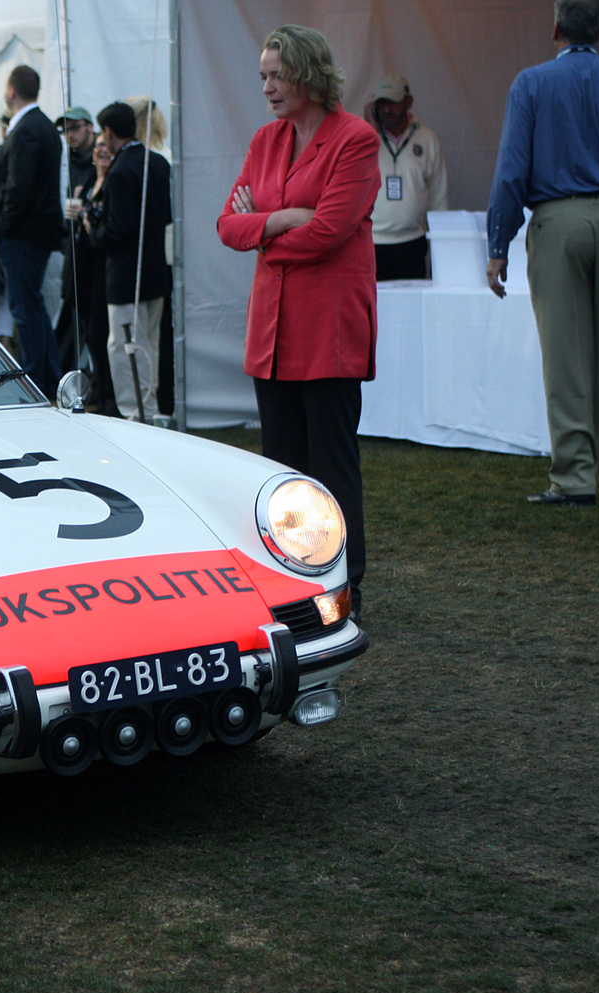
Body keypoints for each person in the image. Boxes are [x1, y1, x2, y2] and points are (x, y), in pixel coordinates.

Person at [216, 24, 378, 618]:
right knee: (281, 466)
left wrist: (260, 225)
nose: (267, 87)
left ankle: (345, 582)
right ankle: (294, 578)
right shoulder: (266, 140)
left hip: (328, 328)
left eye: (275, 76)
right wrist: (283, 219)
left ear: (308, 72)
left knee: (331, 464)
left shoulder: (355, 140)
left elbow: (331, 232)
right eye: (263, 77)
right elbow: (226, 227)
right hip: (275, 332)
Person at [486, 0, 599, 507]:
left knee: (566, 357)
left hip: (559, 219)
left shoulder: (531, 82)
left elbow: (511, 168)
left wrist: (498, 243)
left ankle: (574, 478)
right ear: (598, 28)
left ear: (555, 28)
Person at [88, 102, 172, 423]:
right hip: (154, 270)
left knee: (124, 347)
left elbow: (118, 230)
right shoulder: (159, 163)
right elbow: (164, 216)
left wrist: (93, 232)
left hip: (126, 277)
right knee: (149, 343)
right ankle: (149, 409)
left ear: (109, 132)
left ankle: (134, 413)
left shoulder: (122, 170)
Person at [0, 65, 65, 397]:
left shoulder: (27, 130)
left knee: (25, 308)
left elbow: (19, 188)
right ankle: (46, 376)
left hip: (23, 234)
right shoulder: (42, 125)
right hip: (35, 232)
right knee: (32, 306)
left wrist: (4, 226)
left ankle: (35, 380)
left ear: (11, 91)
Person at [56, 106, 113, 415]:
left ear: (90, 128)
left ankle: (106, 392)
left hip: (96, 260)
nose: (70, 135)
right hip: (77, 256)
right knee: (87, 329)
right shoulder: (74, 162)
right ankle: (98, 388)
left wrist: (85, 213)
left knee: (98, 332)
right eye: (66, 129)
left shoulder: (97, 166)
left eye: (75, 128)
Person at [367, 75, 449, 281]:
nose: (386, 109)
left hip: (412, 242)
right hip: (371, 243)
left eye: (392, 102)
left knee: (412, 310)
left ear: (408, 102)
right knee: (373, 310)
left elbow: (439, 198)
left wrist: (441, 249)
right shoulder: (363, 139)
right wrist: (368, 130)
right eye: (381, 103)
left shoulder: (427, 138)